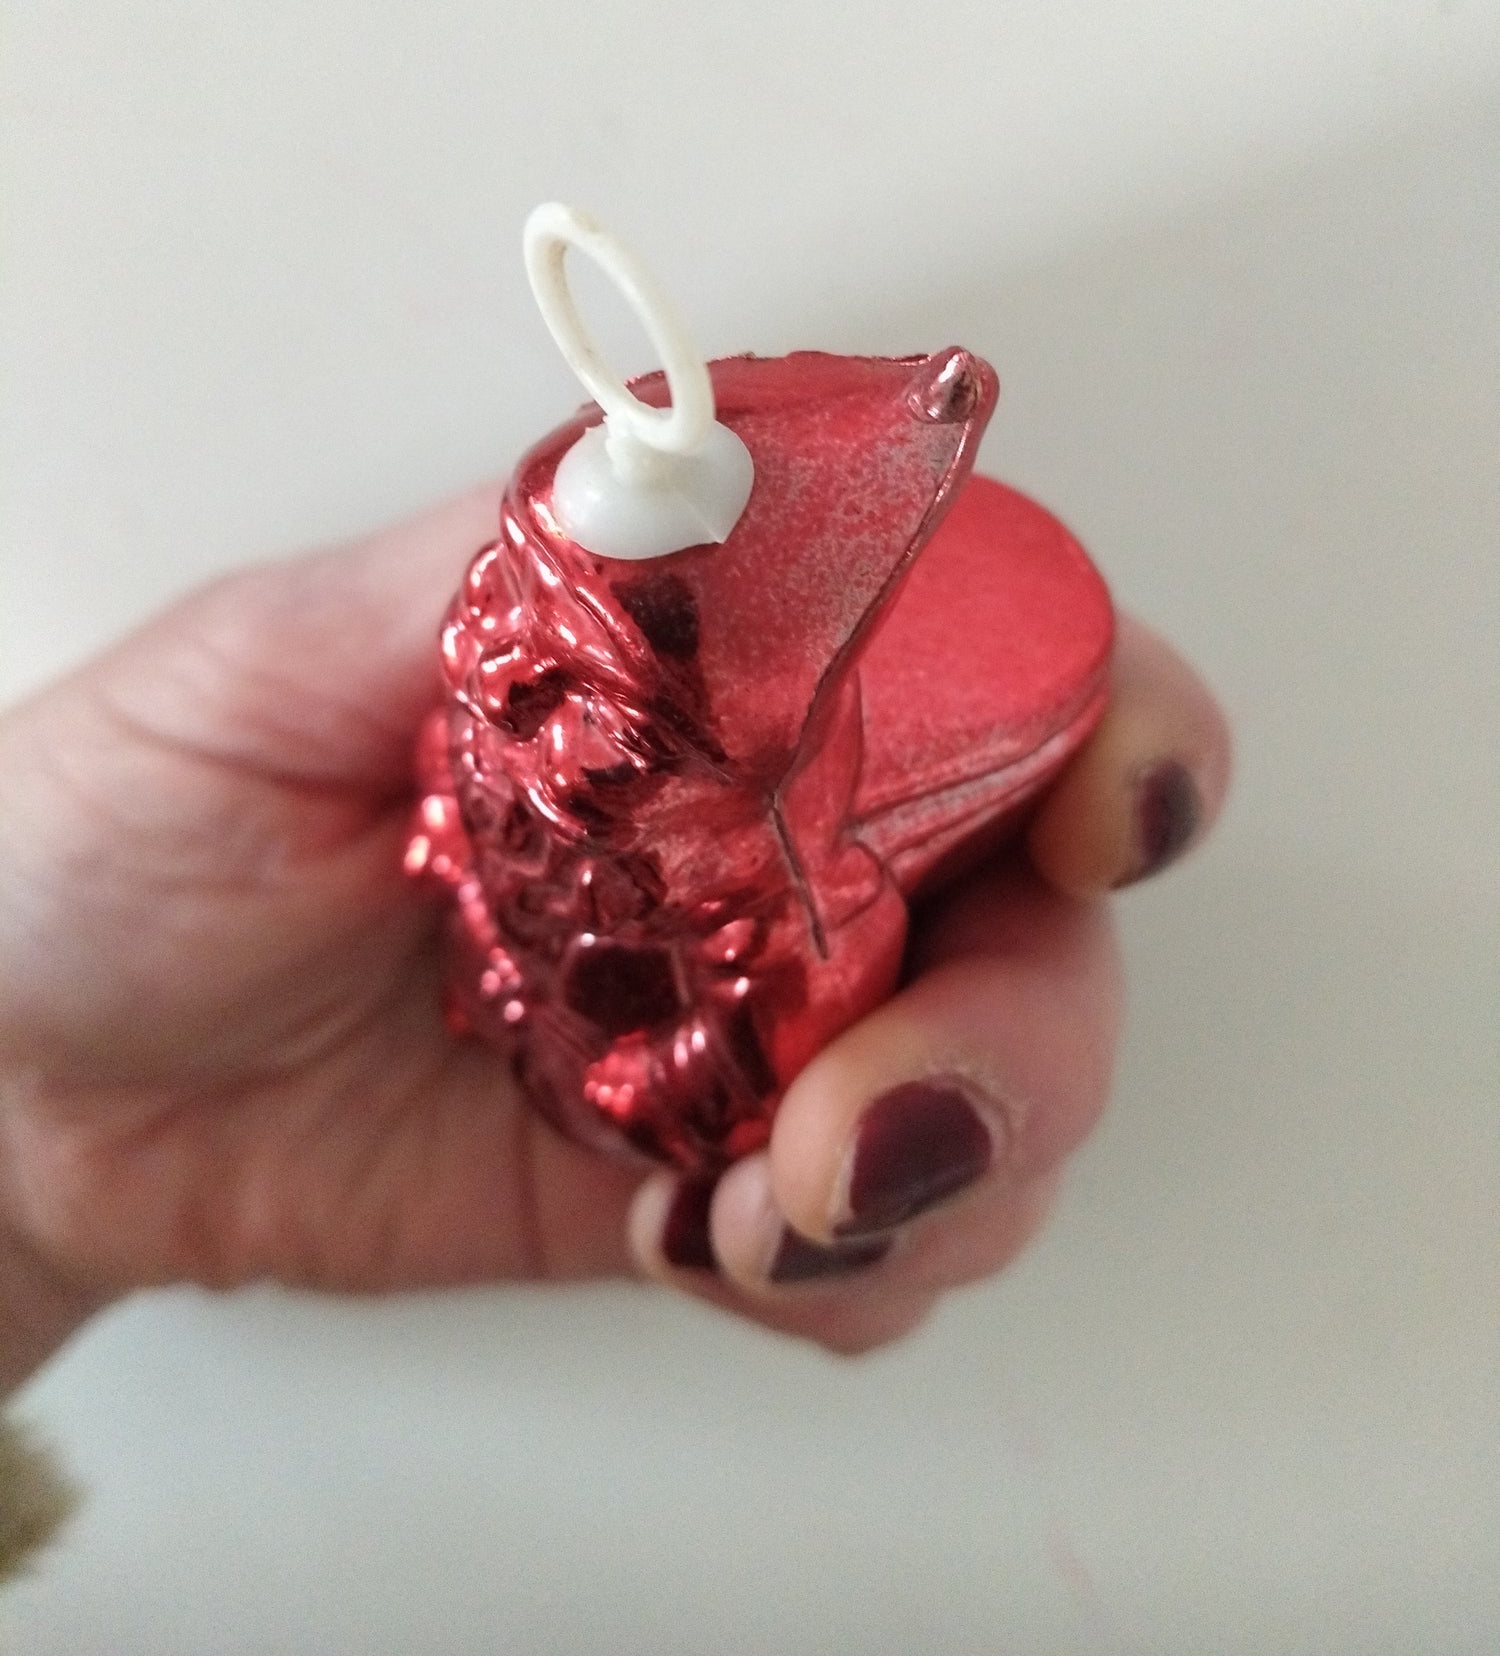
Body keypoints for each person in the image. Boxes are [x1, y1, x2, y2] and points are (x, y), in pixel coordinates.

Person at [0, 481, 1230, 1404]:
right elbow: (465, 774)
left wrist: (34, 1207)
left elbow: (737, 1019)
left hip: (629, 1043)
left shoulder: (779, 887)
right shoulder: (519, 691)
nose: (552, 734)